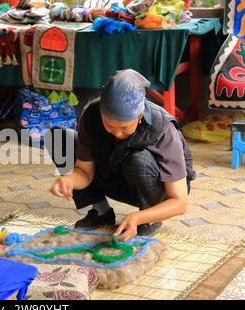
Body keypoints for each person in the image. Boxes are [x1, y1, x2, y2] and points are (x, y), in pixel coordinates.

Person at [48, 69, 196, 241]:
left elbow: (179, 202)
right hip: (115, 174)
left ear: (140, 115)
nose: (117, 134)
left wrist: (137, 218)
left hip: (154, 188)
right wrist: (70, 179)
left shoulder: (163, 129)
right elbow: (85, 172)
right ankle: (100, 211)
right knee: (59, 137)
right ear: (101, 112)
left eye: (125, 128)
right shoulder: (91, 115)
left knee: (140, 160)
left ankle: (149, 220)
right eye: (109, 126)